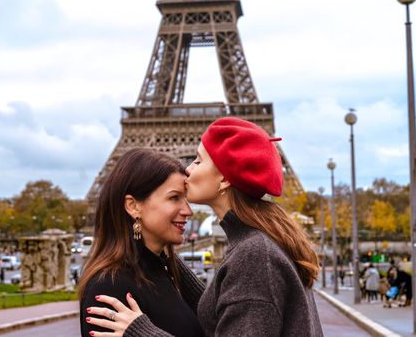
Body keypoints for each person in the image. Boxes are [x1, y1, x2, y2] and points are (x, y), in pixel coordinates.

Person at [91, 117, 323, 336]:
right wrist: (162, 251)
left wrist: (140, 331)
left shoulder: (254, 255)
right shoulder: (259, 241)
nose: (188, 169)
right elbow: (227, 311)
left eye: (199, 160)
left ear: (224, 178)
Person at [79, 148, 205, 337]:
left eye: (185, 199)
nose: (188, 211)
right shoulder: (110, 286)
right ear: (133, 206)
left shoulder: (164, 272)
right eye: (174, 198)